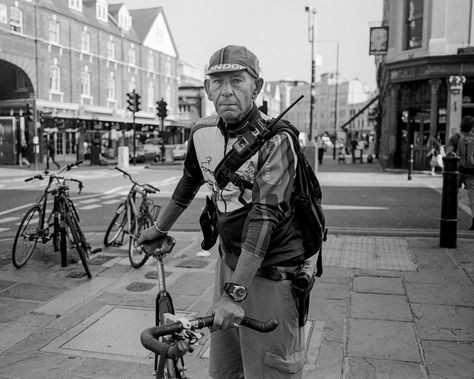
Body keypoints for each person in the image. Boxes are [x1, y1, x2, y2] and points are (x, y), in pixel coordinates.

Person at [137, 45, 308, 378]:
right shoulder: (202, 132)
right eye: (218, 81)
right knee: (224, 370)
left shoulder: (277, 141)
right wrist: (160, 228)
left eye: (237, 80)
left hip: (273, 275)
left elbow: (263, 218)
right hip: (229, 263)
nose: (226, 91)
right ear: (207, 89)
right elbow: (189, 181)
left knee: (270, 371)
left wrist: (235, 295)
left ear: (256, 87)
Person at [447, 116, 474, 230]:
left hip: (456, 171)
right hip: (472, 171)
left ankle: (449, 218)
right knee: (472, 195)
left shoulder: (455, 138)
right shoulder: (473, 138)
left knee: (452, 194)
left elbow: (449, 154)